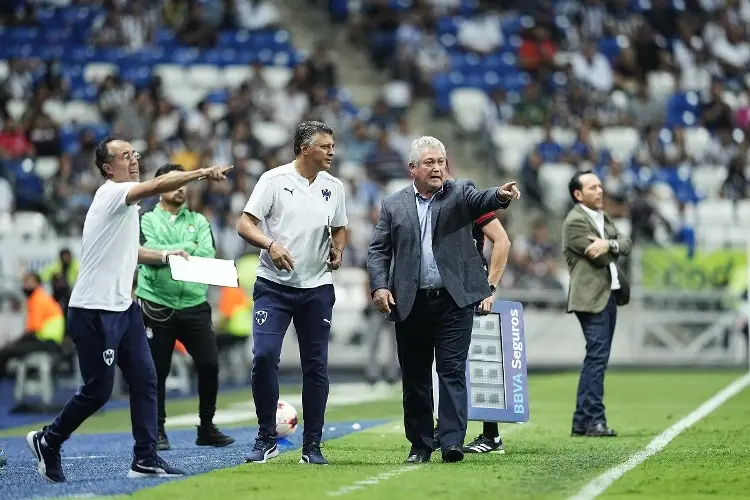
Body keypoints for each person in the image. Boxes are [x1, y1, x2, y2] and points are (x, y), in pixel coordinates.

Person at [25, 136, 232, 483]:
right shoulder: (112, 194)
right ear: (108, 168)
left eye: (134, 154)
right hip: (94, 309)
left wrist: (165, 255)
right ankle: (49, 439)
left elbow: (129, 251)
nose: (133, 160)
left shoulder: (125, 205)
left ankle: (145, 458)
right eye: (124, 156)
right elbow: (157, 186)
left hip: (124, 308)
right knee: (99, 390)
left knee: (146, 379)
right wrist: (201, 173)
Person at [367, 135, 520, 464]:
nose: (437, 168)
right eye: (429, 163)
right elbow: (378, 251)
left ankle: (452, 442)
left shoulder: (459, 192)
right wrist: (379, 286)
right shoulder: (393, 205)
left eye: (441, 161)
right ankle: (420, 445)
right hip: (410, 302)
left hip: (453, 301)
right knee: (415, 377)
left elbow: (482, 199)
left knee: (451, 372)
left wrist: (501, 196)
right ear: (413, 169)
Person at [237, 121, 347, 465]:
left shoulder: (334, 186)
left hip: (316, 289)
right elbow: (244, 224)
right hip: (273, 287)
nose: (332, 152)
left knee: (316, 367)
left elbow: (341, 228)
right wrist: (271, 245)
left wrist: (338, 250)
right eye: (326, 146)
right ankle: (266, 436)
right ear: (305, 149)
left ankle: (312, 446)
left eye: (332, 146)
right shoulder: (273, 180)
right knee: (264, 357)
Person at [135, 163, 234, 451]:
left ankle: (206, 427)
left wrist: (167, 253)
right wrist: (177, 252)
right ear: (158, 189)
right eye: (173, 182)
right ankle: (158, 429)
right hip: (157, 304)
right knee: (157, 370)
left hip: (194, 303)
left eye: (183, 182)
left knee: (210, 364)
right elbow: (145, 253)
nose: (180, 187)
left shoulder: (200, 221)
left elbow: (207, 255)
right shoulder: (146, 220)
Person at [432, 209, 511, 454]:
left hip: (470, 288)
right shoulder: (426, 201)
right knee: (446, 361)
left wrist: (490, 287)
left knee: (480, 358)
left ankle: (491, 433)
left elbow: (502, 240)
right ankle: (443, 427)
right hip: (441, 287)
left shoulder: (468, 200)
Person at [563, 170, 632, 437]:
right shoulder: (575, 222)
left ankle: (582, 421)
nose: (600, 191)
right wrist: (611, 247)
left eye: (600, 186)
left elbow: (626, 244)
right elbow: (601, 259)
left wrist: (608, 244)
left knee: (596, 357)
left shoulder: (601, 217)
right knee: (597, 357)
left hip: (608, 294)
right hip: (591, 298)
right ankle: (593, 419)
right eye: (593, 188)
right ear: (578, 194)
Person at [0, 272, 65, 378]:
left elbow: (32, 331)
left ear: (38, 284)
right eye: (24, 282)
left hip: (47, 343)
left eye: (29, 282)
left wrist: (13, 343)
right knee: (9, 349)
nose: (25, 285)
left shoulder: (38, 299)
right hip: (46, 341)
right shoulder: (39, 298)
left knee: (5, 351)